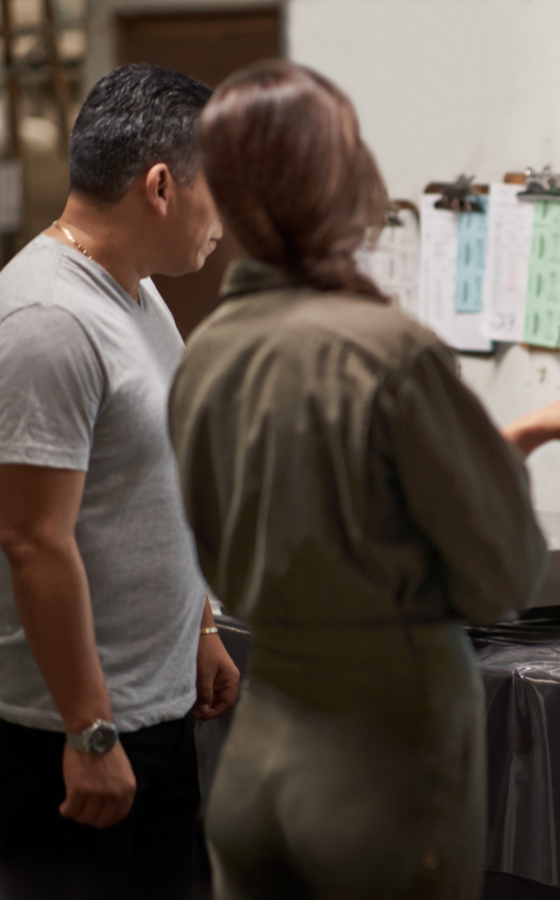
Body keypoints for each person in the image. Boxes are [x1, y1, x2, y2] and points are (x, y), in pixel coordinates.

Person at [168, 60, 560, 899]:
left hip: (254, 773)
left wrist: (510, 437)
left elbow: (319, 495)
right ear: (336, 180)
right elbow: (502, 577)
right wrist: (483, 471)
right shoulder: (389, 352)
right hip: (377, 782)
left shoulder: (205, 351)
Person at [0, 64, 240, 899]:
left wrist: (199, 626)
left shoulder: (137, 296)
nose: (229, 220)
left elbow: (150, 481)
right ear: (162, 186)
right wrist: (90, 731)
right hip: (66, 736)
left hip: (154, 713)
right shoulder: (49, 320)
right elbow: (33, 541)